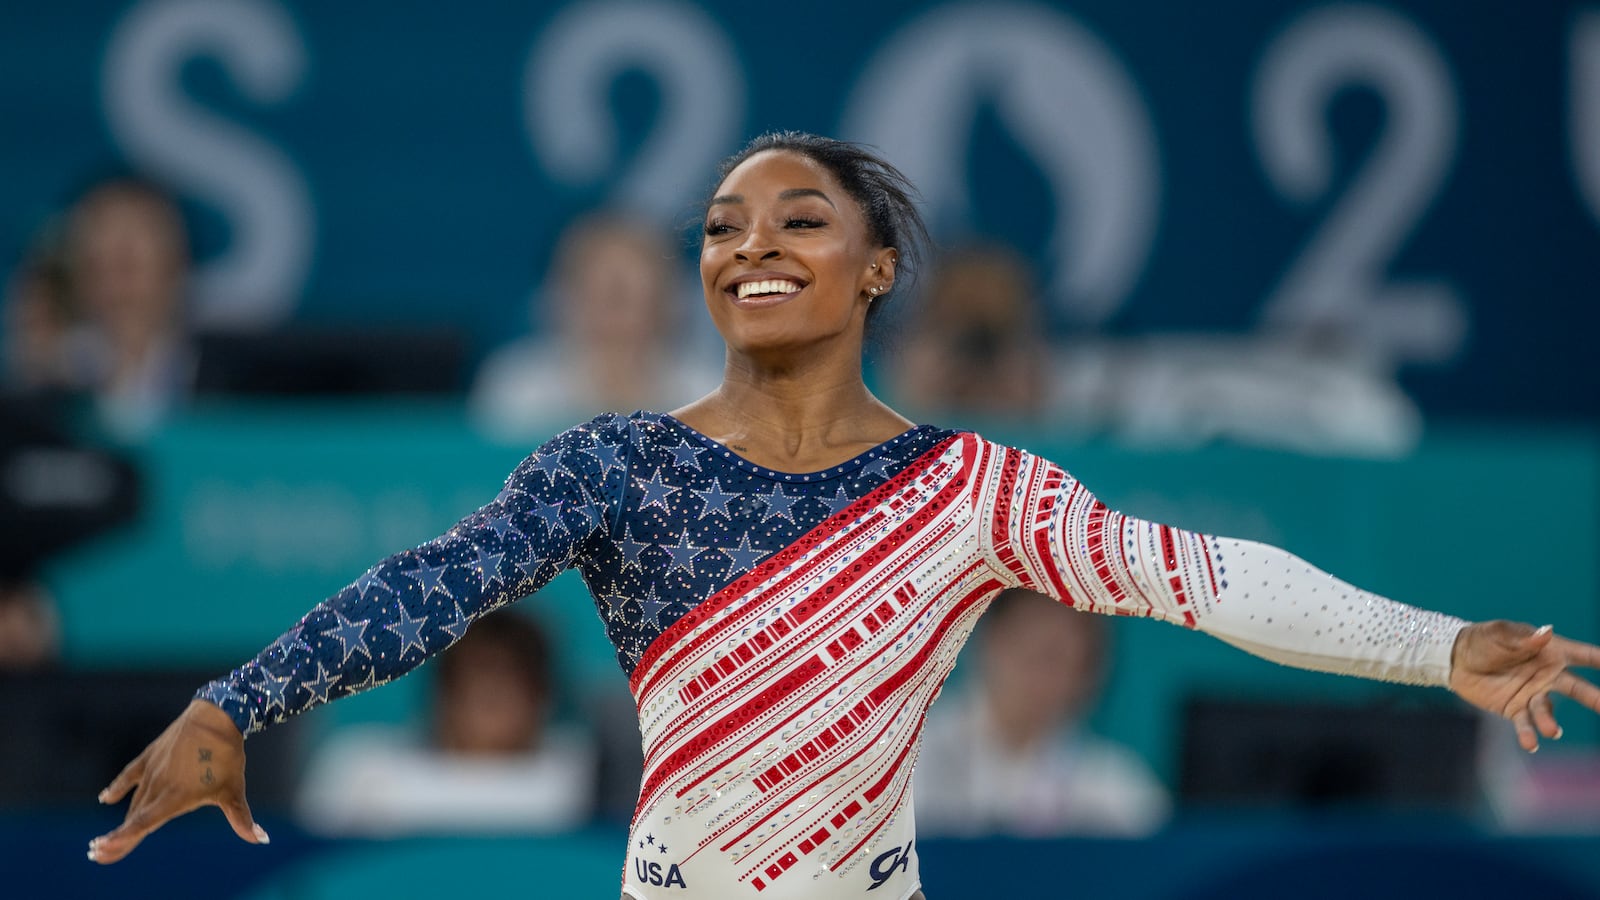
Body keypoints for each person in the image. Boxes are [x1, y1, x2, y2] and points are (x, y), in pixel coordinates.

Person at [88, 133, 1600, 900]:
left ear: (878, 270)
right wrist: (244, 695)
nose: (750, 245)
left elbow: (1196, 576)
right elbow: (437, 585)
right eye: (721, 227)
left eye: (798, 220)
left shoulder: (967, 488)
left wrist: (1439, 647)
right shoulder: (616, 464)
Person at [294, 610, 595, 835]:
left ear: (542, 696)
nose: (492, 691)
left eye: (511, 677)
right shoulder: (362, 770)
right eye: (477, 673)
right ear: (445, 691)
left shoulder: (584, 777)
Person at [914, 588, 1168, 837]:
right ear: (986, 642)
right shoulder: (908, 760)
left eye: (1057, 659)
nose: (1039, 676)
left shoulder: (1115, 788)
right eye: (1028, 650)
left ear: (1088, 677)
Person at [470, 210, 722, 439]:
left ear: (668, 301)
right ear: (560, 297)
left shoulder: (708, 390)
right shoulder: (519, 387)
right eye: (594, 291)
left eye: (626, 295)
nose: (612, 314)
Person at [886, 243, 1051, 421]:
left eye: (989, 340)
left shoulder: (1025, 376)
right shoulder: (919, 370)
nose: (975, 357)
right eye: (961, 340)